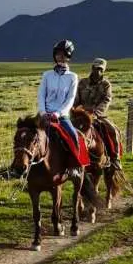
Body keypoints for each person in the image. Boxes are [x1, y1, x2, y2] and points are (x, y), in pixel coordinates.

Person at [36, 39, 84, 181]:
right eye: (58, 54)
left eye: (63, 55)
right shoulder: (47, 75)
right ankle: (22, 167)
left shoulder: (73, 77)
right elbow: (41, 95)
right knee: (26, 135)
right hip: (44, 115)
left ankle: (74, 167)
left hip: (61, 116)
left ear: (68, 56)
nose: (60, 57)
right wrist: (44, 112)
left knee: (73, 136)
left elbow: (70, 99)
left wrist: (58, 113)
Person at [76, 57, 121, 163]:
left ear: (103, 70)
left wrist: (96, 113)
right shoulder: (82, 83)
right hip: (81, 115)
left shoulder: (106, 85)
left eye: (100, 69)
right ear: (92, 68)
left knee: (112, 130)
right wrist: (76, 109)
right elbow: (76, 98)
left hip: (97, 116)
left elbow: (106, 100)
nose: (97, 71)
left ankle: (115, 159)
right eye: (95, 68)